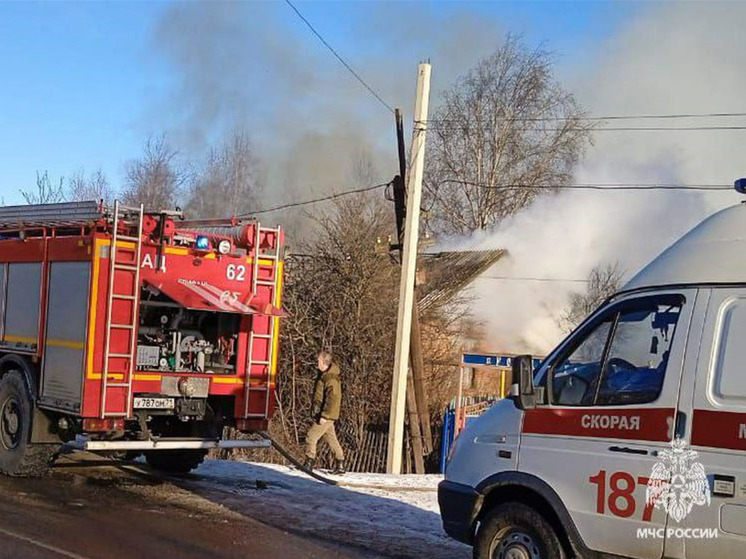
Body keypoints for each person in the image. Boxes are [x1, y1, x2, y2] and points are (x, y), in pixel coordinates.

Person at [304, 350, 345, 474]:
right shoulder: (324, 375)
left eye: (318, 361)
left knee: (311, 437)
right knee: (331, 438)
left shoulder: (330, 378)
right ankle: (340, 463)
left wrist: (324, 415)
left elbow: (332, 399)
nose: (317, 364)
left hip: (326, 415)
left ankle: (309, 462)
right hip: (326, 414)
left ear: (324, 362)